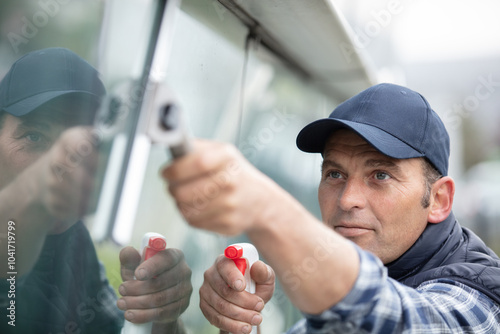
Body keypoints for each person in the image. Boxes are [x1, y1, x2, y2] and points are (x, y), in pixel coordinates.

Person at [162, 83, 500, 333]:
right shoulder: (338, 293)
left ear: (439, 200)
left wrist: (267, 209)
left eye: (380, 175)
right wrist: (232, 323)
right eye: (334, 174)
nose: (346, 199)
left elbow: (402, 321)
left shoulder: (480, 297)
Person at [0, 47, 192, 333]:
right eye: (34, 136)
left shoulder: (73, 242)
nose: (65, 166)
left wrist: (163, 316)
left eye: (85, 148)